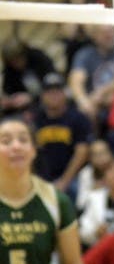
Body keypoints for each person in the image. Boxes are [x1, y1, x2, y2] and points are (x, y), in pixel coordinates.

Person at [0, 117, 82, 264]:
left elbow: (73, 261)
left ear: (33, 150)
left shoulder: (57, 201)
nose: (16, 146)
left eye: (23, 140)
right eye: (6, 141)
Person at [32, 73, 91, 199]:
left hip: (72, 177)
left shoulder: (77, 118)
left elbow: (82, 151)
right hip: (42, 178)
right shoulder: (36, 119)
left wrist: (64, 181)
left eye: (57, 91)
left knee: (76, 191)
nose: (53, 95)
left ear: (65, 93)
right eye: (49, 92)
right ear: (42, 96)